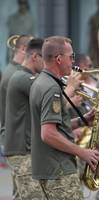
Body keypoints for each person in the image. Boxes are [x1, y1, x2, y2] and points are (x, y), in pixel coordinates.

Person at [29, 36, 99, 200]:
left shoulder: (42, 81)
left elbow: (52, 124)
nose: (73, 62)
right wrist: (82, 152)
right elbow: (48, 134)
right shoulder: (51, 88)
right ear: (59, 59)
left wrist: (82, 121)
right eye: (71, 57)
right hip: (58, 169)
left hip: (51, 168)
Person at [4, 38, 45, 199]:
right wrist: (70, 88)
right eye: (45, 57)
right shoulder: (21, 77)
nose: (47, 63)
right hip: (21, 148)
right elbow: (50, 103)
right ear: (35, 56)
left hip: (25, 146)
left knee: (23, 195)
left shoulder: (25, 76)